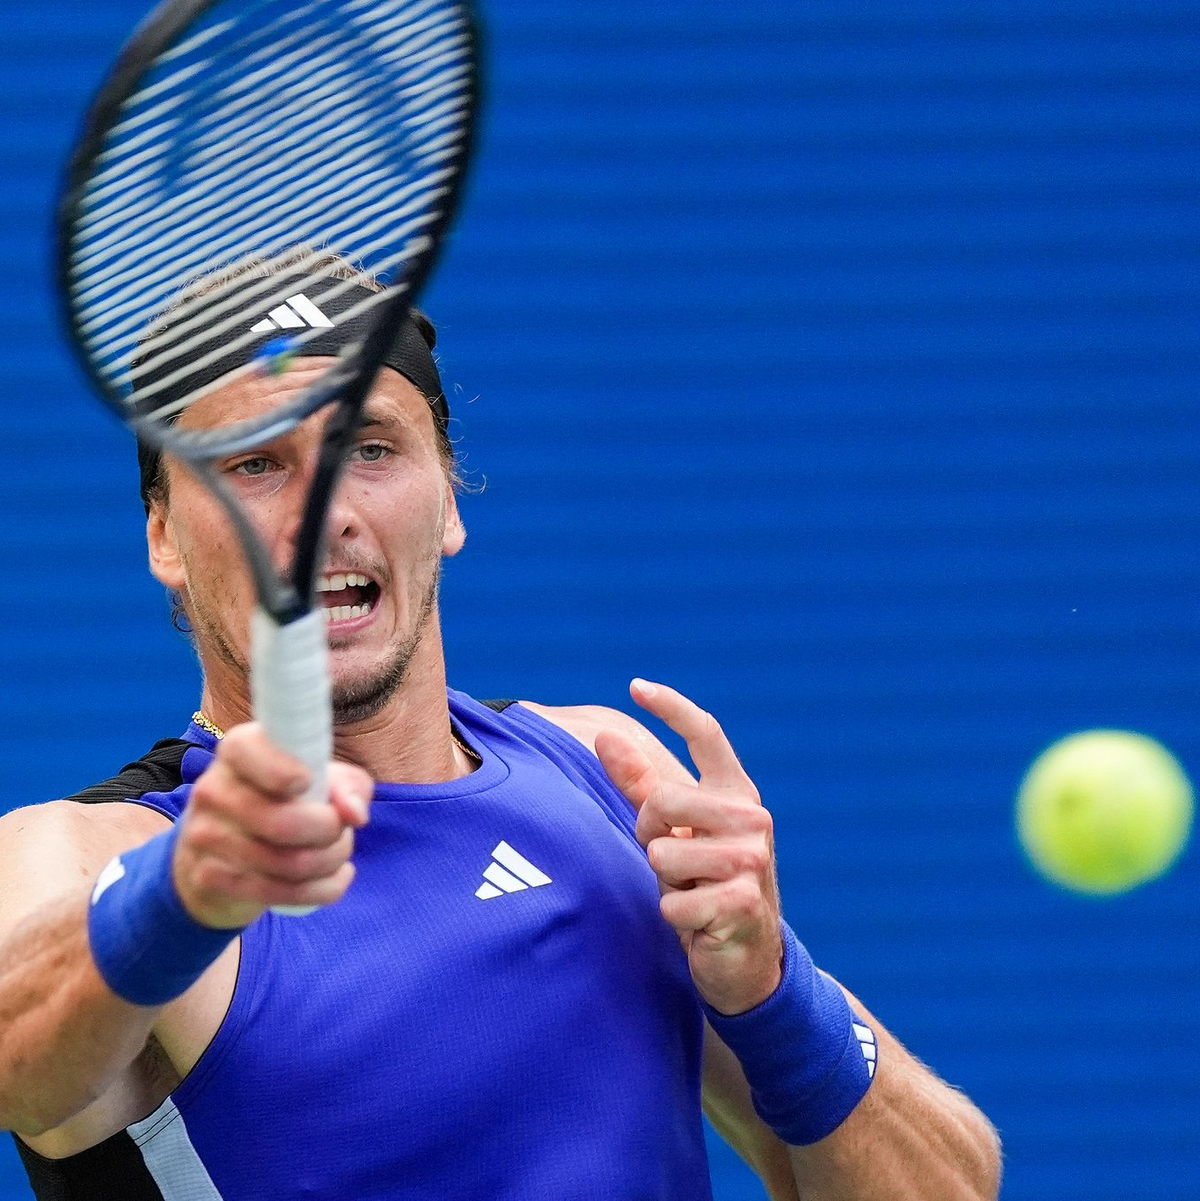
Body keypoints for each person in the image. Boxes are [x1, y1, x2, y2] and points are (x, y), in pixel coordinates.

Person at [0, 249, 1001, 1199]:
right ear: (164, 534)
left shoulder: (605, 773)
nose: (322, 511)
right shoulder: (94, 853)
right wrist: (179, 896)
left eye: (370, 446)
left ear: (447, 502)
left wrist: (779, 998)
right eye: (254, 463)